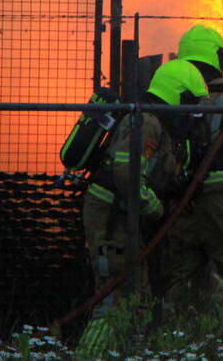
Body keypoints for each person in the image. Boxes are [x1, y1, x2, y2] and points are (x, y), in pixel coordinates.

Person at [77, 59, 209, 358]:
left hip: (123, 215)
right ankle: (88, 356)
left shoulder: (157, 123)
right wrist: (154, 208)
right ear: (176, 95)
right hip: (111, 216)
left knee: (135, 295)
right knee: (115, 292)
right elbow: (127, 172)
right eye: (189, 102)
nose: (190, 113)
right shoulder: (147, 121)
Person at [163, 24, 223, 307]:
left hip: (181, 193)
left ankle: (180, 338)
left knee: (182, 272)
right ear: (217, 56)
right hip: (222, 188)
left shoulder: (169, 87)